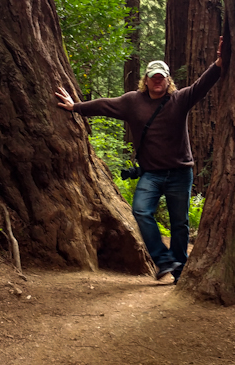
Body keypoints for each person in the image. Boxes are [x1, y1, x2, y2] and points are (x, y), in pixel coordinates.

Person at [55, 37, 223, 283]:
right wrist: (76, 107)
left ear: (168, 81)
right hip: (151, 174)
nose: (158, 80)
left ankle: (179, 272)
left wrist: (219, 63)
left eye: (161, 77)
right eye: (153, 77)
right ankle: (163, 259)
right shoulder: (132, 102)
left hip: (179, 173)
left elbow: (203, 85)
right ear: (146, 80)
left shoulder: (180, 100)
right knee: (141, 211)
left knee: (180, 225)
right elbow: (103, 105)